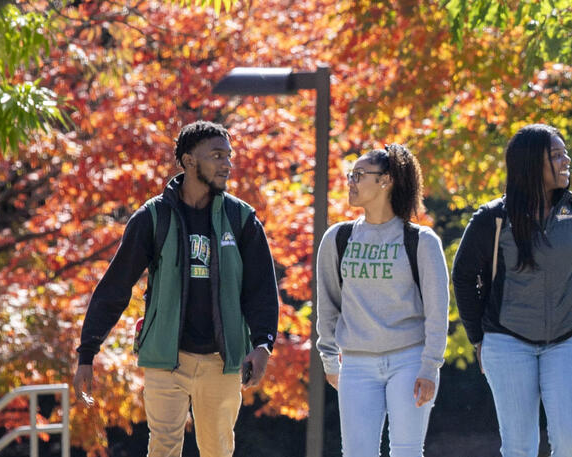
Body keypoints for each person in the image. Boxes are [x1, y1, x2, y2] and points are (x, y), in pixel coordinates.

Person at [70, 121, 280, 457]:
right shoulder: (154, 217)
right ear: (188, 161)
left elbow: (261, 290)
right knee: (163, 447)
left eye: (229, 156)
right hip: (167, 359)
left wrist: (263, 344)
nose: (227, 164)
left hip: (221, 362)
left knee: (217, 451)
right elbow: (116, 286)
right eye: (216, 156)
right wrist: (87, 353)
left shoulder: (241, 219)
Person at [453, 124, 572, 457]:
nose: (566, 160)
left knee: (571, 444)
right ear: (530, 162)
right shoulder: (493, 218)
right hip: (506, 343)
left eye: (565, 153)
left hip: (568, 342)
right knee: (520, 447)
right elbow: (463, 276)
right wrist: (479, 338)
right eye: (555, 155)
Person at [315, 144, 450, 457]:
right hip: (356, 364)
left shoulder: (421, 241)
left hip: (410, 361)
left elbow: (437, 311)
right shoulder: (338, 238)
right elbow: (327, 306)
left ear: (386, 181)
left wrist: (429, 367)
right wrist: (328, 358)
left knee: (406, 451)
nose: (351, 181)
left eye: (359, 175)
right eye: (352, 175)